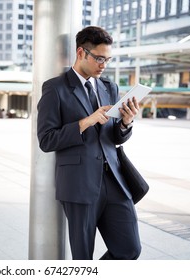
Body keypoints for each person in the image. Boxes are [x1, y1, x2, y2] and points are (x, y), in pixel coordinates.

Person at [37, 26, 141, 260]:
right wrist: (86, 122)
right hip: (78, 184)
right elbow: (46, 140)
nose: (104, 64)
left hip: (114, 181)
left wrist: (126, 123)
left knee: (130, 249)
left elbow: (115, 136)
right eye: (100, 58)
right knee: (83, 256)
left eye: (108, 59)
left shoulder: (109, 87)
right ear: (81, 53)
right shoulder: (55, 88)